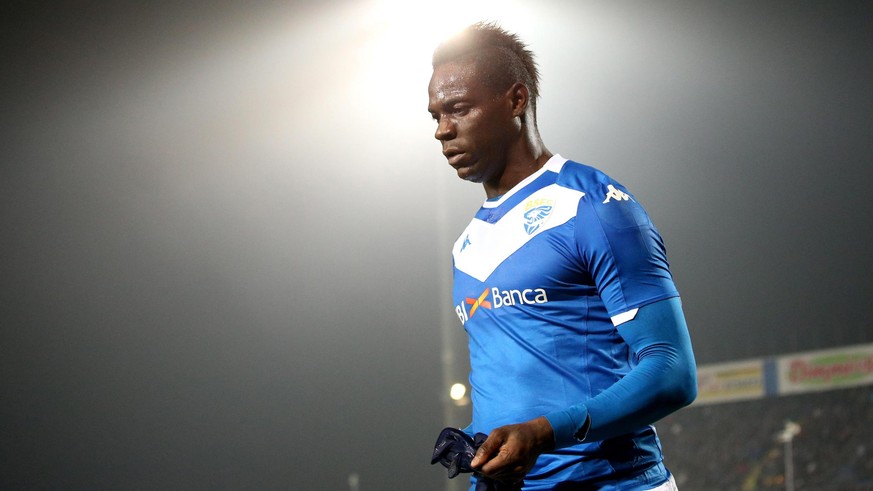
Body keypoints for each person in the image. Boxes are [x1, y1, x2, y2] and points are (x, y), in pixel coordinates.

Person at [427, 22, 698, 490]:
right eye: (435, 115)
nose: (442, 130)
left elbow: (672, 370)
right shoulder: (467, 245)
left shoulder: (593, 206)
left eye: (459, 109)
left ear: (516, 100)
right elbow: (527, 385)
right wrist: (477, 439)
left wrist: (543, 434)